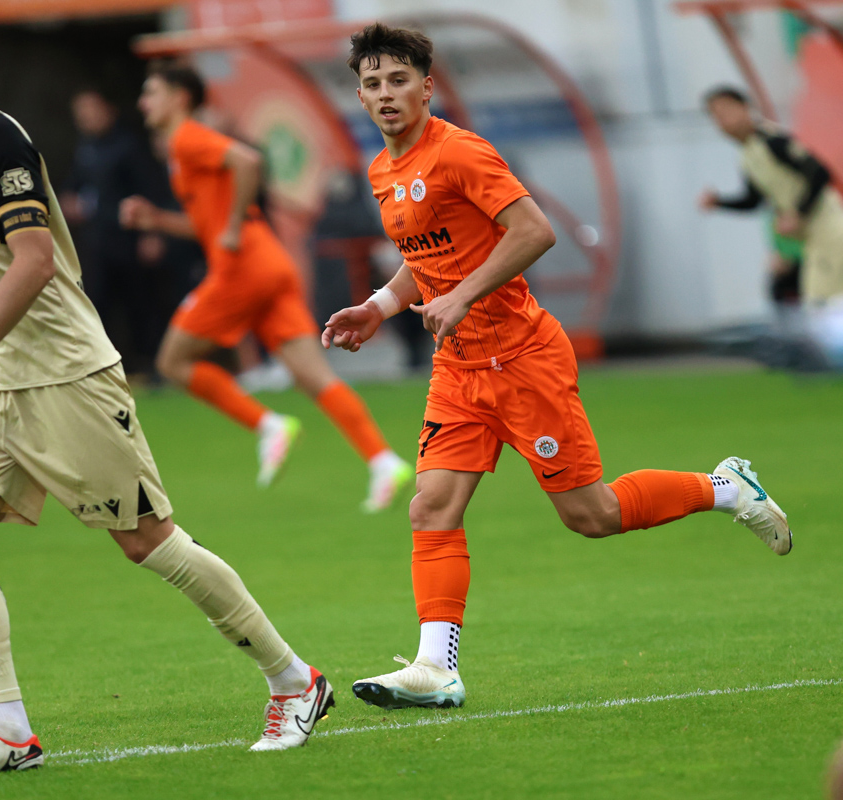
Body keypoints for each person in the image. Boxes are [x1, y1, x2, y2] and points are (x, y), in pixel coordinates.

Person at [0, 13, 333, 775]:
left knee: (148, 541)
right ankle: (8, 732)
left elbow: (35, 260)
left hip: (64, 373)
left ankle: (294, 680)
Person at [321, 23, 792, 712]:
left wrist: (462, 295)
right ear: (360, 97)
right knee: (431, 506)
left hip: (522, 360)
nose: (386, 93)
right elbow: (427, 257)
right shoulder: (382, 170)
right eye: (373, 84)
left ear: (427, 86)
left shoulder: (460, 151)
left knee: (591, 515)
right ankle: (435, 668)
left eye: (399, 80)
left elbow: (534, 231)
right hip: (459, 367)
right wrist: (379, 305)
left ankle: (725, 488)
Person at [120, 65, 412, 512]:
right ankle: (384, 461)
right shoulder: (181, 148)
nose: (144, 103)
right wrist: (158, 220)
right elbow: (208, 225)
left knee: (172, 361)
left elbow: (248, 162)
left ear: (179, 97)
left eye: (151, 92)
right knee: (314, 377)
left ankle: (268, 424)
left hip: (242, 268)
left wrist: (234, 226)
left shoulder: (186, 137)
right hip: (268, 262)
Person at [700, 86, 843, 305]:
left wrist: (798, 212)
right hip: (810, 240)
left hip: (830, 231)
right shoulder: (746, 155)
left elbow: (820, 173)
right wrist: (719, 202)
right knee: (818, 302)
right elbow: (753, 200)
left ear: (745, 107)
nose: (723, 120)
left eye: (727, 110)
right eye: (716, 116)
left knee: (820, 303)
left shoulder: (771, 140)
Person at [61, 89, 170, 376]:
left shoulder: (129, 146)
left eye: (92, 110)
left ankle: (154, 367)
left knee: (141, 304)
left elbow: (151, 189)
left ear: (109, 109)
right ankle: (105, 369)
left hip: (129, 240)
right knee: (97, 304)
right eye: (81, 113)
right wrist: (70, 202)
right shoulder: (85, 148)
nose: (87, 118)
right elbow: (73, 187)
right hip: (98, 243)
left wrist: (152, 234)